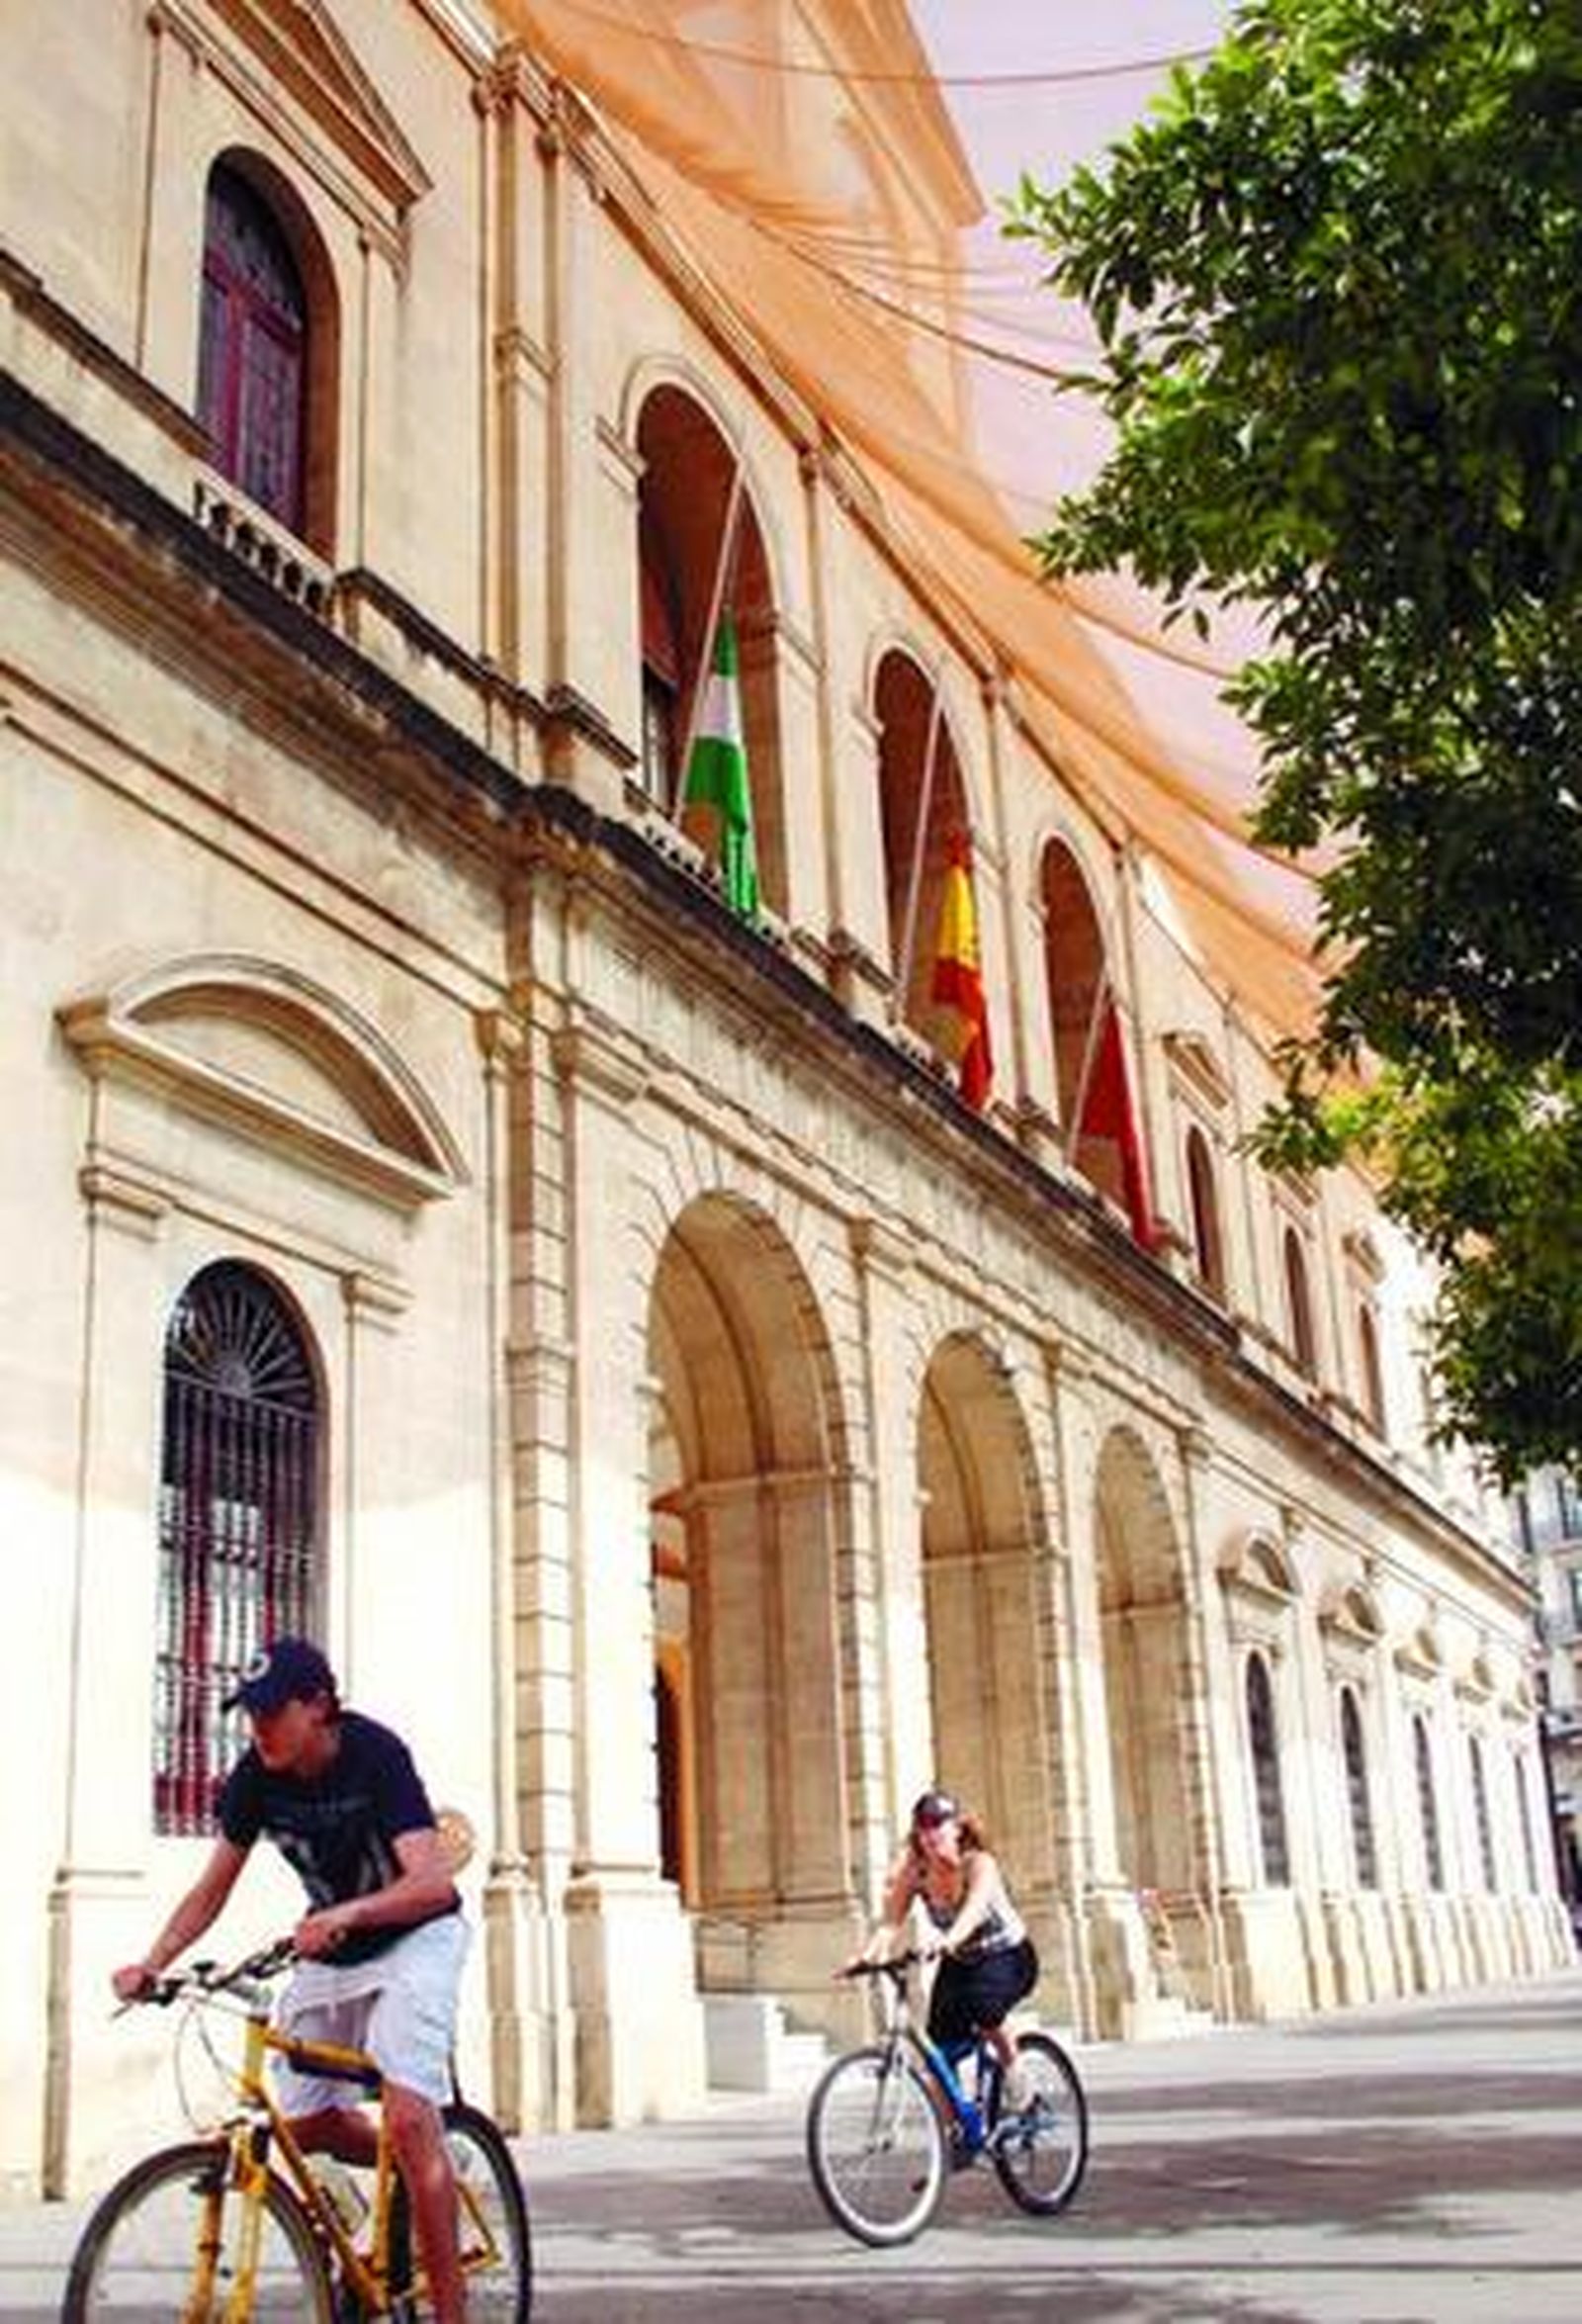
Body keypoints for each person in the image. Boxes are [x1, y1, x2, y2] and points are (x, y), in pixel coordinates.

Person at [112, 1637, 471, 2323]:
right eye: (251, 1714)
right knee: (308, 2127)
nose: (259, 1728)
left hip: (416, 1939)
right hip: (333, 1950)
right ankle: (402, 2178)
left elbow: (431, 1885)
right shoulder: (255, 1778)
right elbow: (211, 1890)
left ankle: (450, 2302)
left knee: (407, 2116)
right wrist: (152, 1964)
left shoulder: (376, 1754)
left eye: (274, 1712)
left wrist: (347, 1913)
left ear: (319, 1706)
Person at [854, 1787, 1039, 2105]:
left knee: (984, 2007)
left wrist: (947, 1940)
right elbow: (890, 1923)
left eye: (937, 1824)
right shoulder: (917, 1872)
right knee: (938, 2052)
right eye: (923, 1826)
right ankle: (952, 2130)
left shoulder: (979, 1864)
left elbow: (974, 1911)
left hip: (1008, 1956)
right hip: (960, 1960)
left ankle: (1016, 2073)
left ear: (957, 1828)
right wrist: (867, 1956)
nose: (930, 1833)